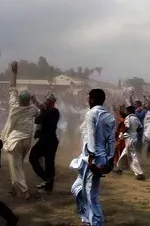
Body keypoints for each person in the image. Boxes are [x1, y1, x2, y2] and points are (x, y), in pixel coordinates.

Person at [70, 88, 116, 226]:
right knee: (76, 188)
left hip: (91, 159)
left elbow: (91, 137)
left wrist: (91, 160)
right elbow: (111, 141)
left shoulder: (91, 114)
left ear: (93, 99)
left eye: (89, 98)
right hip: (95, 158)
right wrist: (110, 161)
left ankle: (96, 223)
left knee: (92, 197)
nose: (88, 101)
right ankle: (86, 219)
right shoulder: (110, 117)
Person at [1, 61, 39, 200]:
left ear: (19, 99)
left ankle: (24, 192)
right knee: (17, 165)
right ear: (29, 100)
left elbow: (12, 87)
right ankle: (13, 188)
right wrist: (35, 101)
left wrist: (14, 73)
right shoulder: (33, 109)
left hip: (15, 141)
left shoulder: (14, 106)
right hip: (27, 142)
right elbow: (40, 112)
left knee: (16, 166)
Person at [29, 93, 60, 193]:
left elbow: (40, 119)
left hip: (47, 141)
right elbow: (41, 110)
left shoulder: (52, 112)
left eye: (47, 102)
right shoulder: (51, 111)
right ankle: (47, 183)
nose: (45, 103)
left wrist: (36, 103)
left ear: (51, 103)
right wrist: (35, 101)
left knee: (36, 159)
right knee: (47, 163)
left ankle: (47, 181)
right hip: (48, 141)